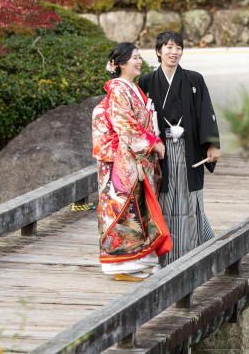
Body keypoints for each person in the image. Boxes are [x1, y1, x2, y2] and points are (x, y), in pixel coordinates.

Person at [137, 31, 221, 266]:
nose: (174, 52)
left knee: (188, 197)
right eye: (169, 47)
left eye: (179, 48)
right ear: (158, 52)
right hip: (159, 151)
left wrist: (212, 144)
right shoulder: (146, 81)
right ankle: (163, 254)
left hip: (188, 149)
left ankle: (191, 254)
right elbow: (140, 120)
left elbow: (207, 112)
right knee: (162, 198)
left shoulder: (194, 79)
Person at [91, 42, 172, 281]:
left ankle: (139, 261)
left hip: (133, 159)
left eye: (139, 57)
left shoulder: (132, 88)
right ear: (121, 63)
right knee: (125, 211)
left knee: (138, 210)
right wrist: (152, 144)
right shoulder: (118, 89)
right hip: (121, 163)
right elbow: (124, 125)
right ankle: (123, 265)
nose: (139, 61)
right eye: (135, 58)